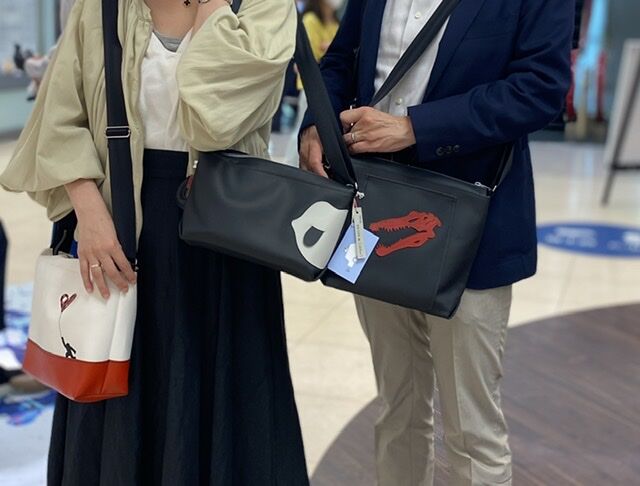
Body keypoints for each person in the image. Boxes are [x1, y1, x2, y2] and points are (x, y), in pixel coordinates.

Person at [0, 0, 308, 484]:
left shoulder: (261, 7)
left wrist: (212, 12)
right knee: (117, 402)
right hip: (117, 226)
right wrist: (89, 212)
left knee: (222, 402)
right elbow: (57, 118)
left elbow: (213, 121)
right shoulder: (100, 6)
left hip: (226, 239)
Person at [299, 0, 574, 485]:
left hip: (471, 221)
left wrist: (414, 128)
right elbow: (341, 59)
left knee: (471, 426)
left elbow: (539, 88)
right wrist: (316, 123)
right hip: (374, 212)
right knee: (397, 406)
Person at [283, 0, 341, 166]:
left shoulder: (336, 23)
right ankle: (291, 167)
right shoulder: (311, 20)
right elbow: (308, 58)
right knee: (303, 131)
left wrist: (328, 49)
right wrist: (329, 51)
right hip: (311, 87)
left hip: (329, 90)